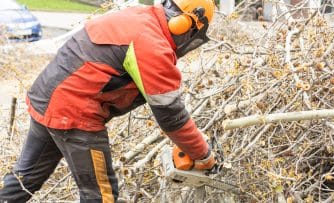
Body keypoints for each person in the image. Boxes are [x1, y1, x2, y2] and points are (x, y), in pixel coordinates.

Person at [0, 0, 216, 202]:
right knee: (100, 194)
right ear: (185, 25)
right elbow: (171, 116)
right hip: (75, 114)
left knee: (24, 179)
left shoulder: (139, 16)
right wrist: (202, 153)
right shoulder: (152, 44)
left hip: (46, 98)